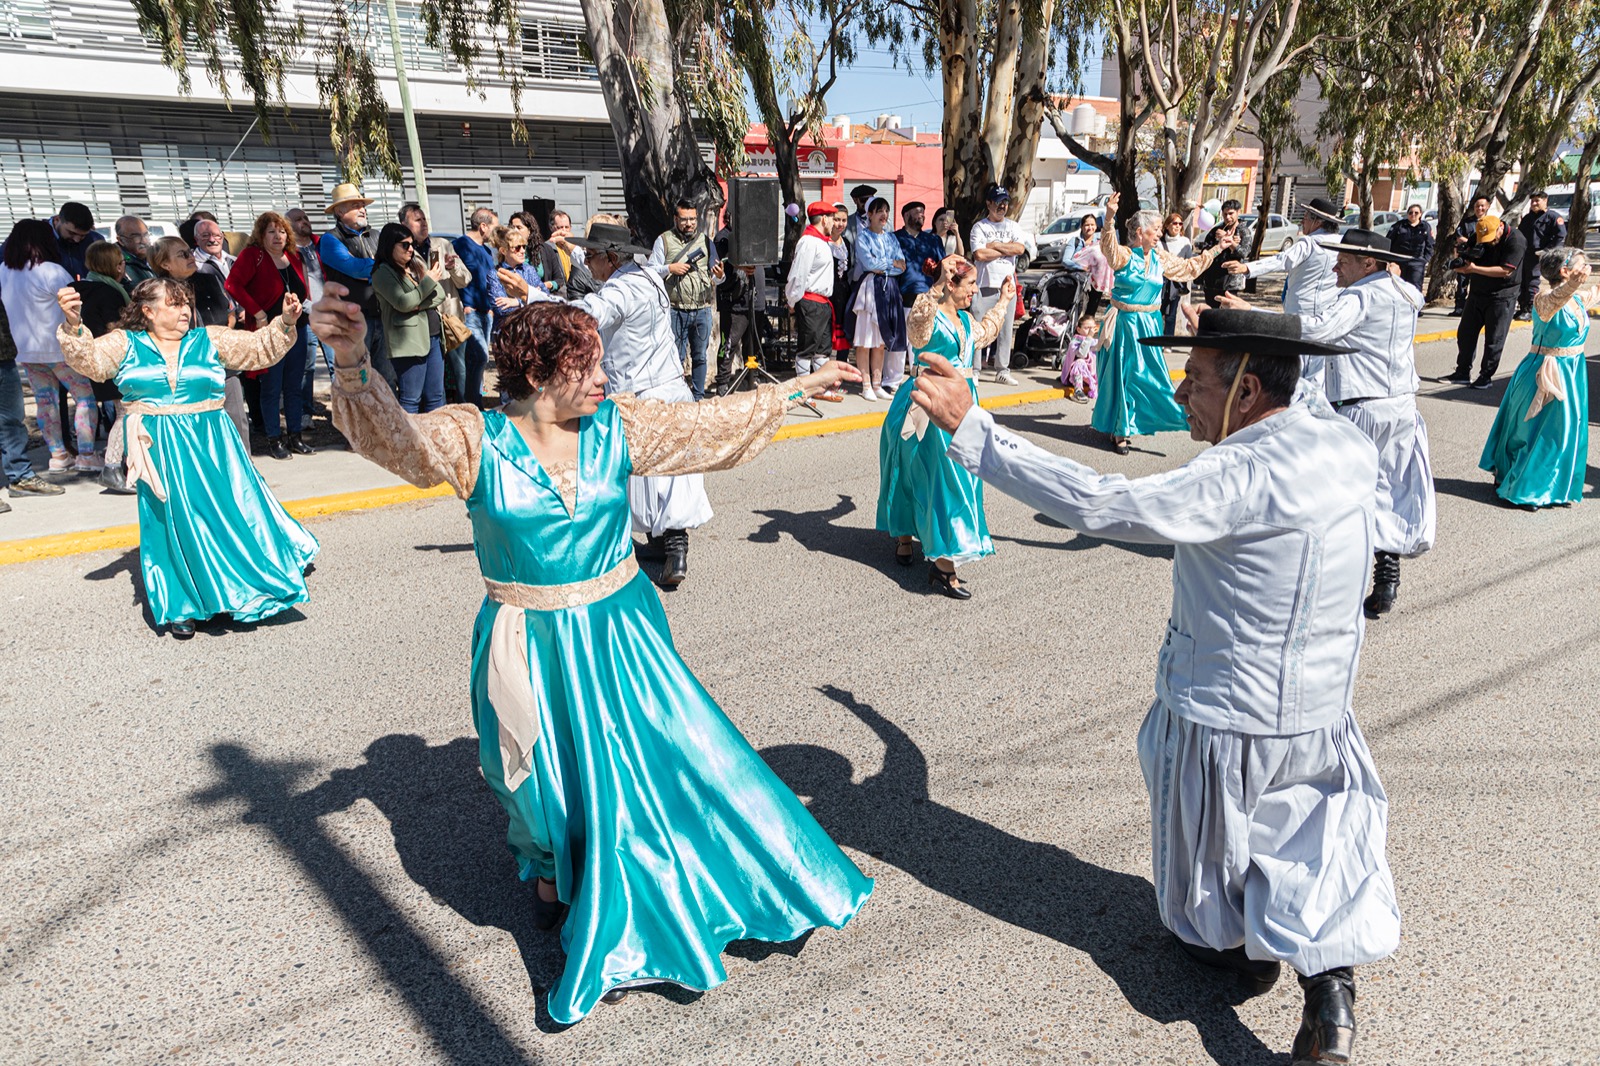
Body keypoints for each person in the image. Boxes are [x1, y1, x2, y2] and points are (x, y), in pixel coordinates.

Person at [319, 290, 870, 1022]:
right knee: (537, 781)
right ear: (539, 371)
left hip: (622, 632)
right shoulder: (473, 438)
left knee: (661, 763)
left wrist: (794, 388)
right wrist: (353, 360)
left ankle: (653, 903)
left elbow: (704, 427)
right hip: (527, 636)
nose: (603, 378)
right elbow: (398, 441)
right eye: (586, 366)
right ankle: (549, 871)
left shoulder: (621, 426)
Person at [914, 306, 1398, 1066]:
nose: (1180, 392)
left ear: (1245, 388)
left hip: (1225, 710)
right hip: (1320, 710)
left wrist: (974, 428)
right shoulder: (1344, 444)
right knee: (1318, 844)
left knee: (1211, 875)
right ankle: (1330, 998)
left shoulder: (1237, 473)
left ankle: (1236, 952)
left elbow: (1104, 504)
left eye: (1197, 378)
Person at [56, 279, 317, 638]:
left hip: (212, 443)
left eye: (186, 304)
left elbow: (258, 348)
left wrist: (285, 321)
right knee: (173, 523)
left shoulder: (208, 338)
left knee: (226, 516)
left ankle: (241, 589)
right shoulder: (124, 343)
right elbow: (92, 363)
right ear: (148, 311)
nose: (184, 312)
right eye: (174, 304)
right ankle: (181, 602)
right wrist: (74, 325)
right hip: (157, 446)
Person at [1223, 228, 1435, 618]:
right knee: (1391, 490)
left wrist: (1251, 314)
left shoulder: (1361, 296)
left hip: (1362, 408)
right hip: (1401, 406)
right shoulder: (1405, 292)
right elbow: (1413, 294)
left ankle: (1330, 577)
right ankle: (1386, 575)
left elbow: (1317, 328)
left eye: (1344, 259)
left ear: (1368, 262)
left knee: (1346, 494)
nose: (1335, 266)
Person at [569, 222, 709, 584]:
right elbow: (662, 269)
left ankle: (672, 549)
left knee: (652, 473)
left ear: (611, 258)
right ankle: (667, 546)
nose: (586, 262)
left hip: (645, 396)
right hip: (669, 389)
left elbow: (585, 315)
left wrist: (531, 300)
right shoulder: (646, 276)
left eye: (591, 255)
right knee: (668, 471)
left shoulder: (621, 290)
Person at [878, 257, 1013, 597]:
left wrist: (1004, 300)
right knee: (933, 476)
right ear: (951, 285)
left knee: (956, 477)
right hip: (931, 402)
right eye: (969, 286)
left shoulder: (966, 320)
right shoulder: (930, 316)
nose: (973, 293)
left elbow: (987, 332)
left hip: (964, 404)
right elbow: (916, 325)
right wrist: (937, 282)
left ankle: (934, 546)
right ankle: (939, 562)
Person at [1093, 192, 1231, 454]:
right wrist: (1110, 217)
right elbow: (1108, 246)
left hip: (1150, 324)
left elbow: (1190, 268)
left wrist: (1216, 249)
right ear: (1140, 232)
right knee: (1124, 377)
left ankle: (1162, 418)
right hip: (1126, 324)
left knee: (1151, 377)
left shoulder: (1160, 258)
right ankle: (1121, 430)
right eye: (1155, 230)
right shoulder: (1124, 256)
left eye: (1159, 230)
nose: (1159, 234)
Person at [1480, 247, 1597, 508]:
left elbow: (1593, 293)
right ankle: (1526, 488)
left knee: (1562, 433)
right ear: (1565, 271)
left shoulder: (1577, 299)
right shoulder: (1543, 298)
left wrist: (1577, 286)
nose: (1586, 269)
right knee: (1533, 432)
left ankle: (1554, 488)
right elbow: (1553, 303)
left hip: (1571, 371)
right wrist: (1571, 285)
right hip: (1542, 371)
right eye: (1581, 265)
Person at [0, 219, 98, 477]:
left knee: (46, 403)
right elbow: (74, 305)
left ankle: (58, 456)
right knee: (85, 398)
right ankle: (87, 454)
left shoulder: (3, 270)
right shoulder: (52, 270)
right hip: (60, 349)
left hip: (26, 352)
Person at [1223, 196, 1343, 389]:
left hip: (1301, 315)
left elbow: (1281, 260)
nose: (1301, 220)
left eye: (1305, 216)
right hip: (1326, 318)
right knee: (1318, 372)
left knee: (1300, 372)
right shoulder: (1341, 244)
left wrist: (1247, 269)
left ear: (1317, 221)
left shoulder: (1309, 244)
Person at [226, 212, 314, 459]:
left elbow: (304, 290)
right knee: (272, 387)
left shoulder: (293, 256)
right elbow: (233, 285)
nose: (278, 236)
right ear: (261, 235)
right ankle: (274, 438)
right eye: (271, 232)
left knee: (294, 385)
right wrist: (258, 312)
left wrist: (298, 302)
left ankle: (295, 436)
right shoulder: (253, 255)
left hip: (296, 328)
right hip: (268, 330)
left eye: (282, 231)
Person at [319, 183, 395, 391]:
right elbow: (353, 268)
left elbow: (393, 268)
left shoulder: (377, 235)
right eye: (355, 205)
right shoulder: (330, 240)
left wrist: (373, 270)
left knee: (386, 380)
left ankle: (386, 423)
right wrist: (378, 266)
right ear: (340, 211)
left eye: (363, 205)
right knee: (357, 381)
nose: (363, 209)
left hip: (382, 316)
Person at [71, 241, 134, 490]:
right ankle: (112, 466)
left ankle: (120, 463)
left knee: (121, 413)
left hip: (92, 360)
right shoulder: (109, 292)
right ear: (114, 266)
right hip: (113, 360)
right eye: (120, 263)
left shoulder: (80, 289)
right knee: (124, 414)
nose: (123, 267)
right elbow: (115, 329)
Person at [648, 200, 724, 401]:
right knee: (675, 358)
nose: (689, 224)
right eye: (684, 219)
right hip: (674, 310)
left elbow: (716, 278)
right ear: (675, 219)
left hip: (702, 310)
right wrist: (669, 268)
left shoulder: (706, 241)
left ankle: (698, 397)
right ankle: (677, 397)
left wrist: (720, 275)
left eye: (692, 219)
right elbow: (649, 271)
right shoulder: (663, 241)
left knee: (700, 356)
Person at [371, 222, 449, 415]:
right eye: (405, 245)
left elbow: (439, 295)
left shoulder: (414, 266)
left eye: (412, 244)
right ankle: (408, 443)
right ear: (390, 246)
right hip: (408, 343)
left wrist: (416, 302)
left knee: (436, 396)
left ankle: (434, 439)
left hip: (432, 337)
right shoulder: (382, 273)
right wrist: (427, 283)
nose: (411, 249)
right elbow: (403, 302)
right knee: (411, 398)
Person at [400, 203, 473, 404]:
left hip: (451, 320)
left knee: (460, 372)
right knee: (434, 379)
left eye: (424, 219)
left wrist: (453, 267)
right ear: (404, 225)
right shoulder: (403, 252)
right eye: (417, 220)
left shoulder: (443, 244)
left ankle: (466, 409)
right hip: (424, 325)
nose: (424, 224)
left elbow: (465, 280)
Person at [1445, 213, 1527, 388]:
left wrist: (1474, 269)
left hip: (1502, 296)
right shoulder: (1479, 235)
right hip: (1477, 293)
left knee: (1494, 339)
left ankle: (1486, 376)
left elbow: (1506, 271)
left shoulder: (1516, 240)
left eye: (1490, 237)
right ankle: (1462, 372)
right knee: (1466, 333)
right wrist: (1461, 261)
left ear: (1500, 228)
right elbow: (1467, 256)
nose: (1487, 241)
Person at [968, 183, 1033, 384]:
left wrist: (994, 246)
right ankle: (975, 369)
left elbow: (1020, 249)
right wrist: (1006, 248)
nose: (1002, 206)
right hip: (984, 286)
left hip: (1007, 287)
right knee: (979, 329)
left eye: (1005, 202)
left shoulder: (1013, 226)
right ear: (988, 203)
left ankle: (1002, 370)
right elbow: (979, 253)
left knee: (1005, 330)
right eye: (998, 202)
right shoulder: (980, 227)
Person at [844, 197, 907, 401]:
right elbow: (871, 264)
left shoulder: (891, 238)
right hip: (870, 289)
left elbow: (903, 265)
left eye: (886, 211)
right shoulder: (863, 238)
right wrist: (891, 264)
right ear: (869, 214)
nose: (884, 215)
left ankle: (878, 384)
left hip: (888, 290)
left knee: (880, 342)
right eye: (879, 211)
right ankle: (865, 384)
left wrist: (889, 265)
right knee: (865, 340)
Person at [786, 202, 845, 398]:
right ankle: (803, 392)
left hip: (822, 303)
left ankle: (821, 388)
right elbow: (798, 275)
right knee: (807, 348)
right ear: (824, 219)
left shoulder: (821, 241)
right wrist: (793, 301)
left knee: (822, 350)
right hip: (810, 302)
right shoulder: (809, 241)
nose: (834, 223)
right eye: (832, 218)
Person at [889, 201, 945, 395]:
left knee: (921, 340)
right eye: (916, 212)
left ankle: (919, 376)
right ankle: (894, 379)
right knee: (899, 340)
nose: (921, 215)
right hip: (900, 295)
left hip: (926, 297)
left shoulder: (932, 240)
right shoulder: (894, 238)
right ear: (905, 216)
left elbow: (942, 266)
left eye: (923, 212)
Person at [451, 207, 500, 408]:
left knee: (480, 363)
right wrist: (466, 304)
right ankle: (470, 407)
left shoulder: (487, 251)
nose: (496, 233)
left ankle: (475, 404)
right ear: (483, 226)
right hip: (470, 313)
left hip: (485, 313)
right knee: (474, 360)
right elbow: (454, 276)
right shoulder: (460, 245)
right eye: (494, 228)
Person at [285, 207, 334, 404]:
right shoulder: (287, 253)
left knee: (336, 364)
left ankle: (343, 410)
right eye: (298, 219)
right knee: (306, 367)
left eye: (305, 217)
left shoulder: (321, 245)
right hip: (306, 317)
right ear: (288, 226)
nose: (304, 221)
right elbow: (289, 286)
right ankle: (305, 411)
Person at [1516, 191, 1566, 319]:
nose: (1534, 203)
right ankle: (1522, 308)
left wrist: (1547, 251)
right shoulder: (1528, 218)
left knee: (1532, 281)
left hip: (1539, 255)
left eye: (1537, 201)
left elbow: (1560, 236)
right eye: (1532, 201)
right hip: (1525, 254)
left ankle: (1530, 309)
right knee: (1522, 281)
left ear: (1545, 201)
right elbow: (1520, 235)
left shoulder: (1553, 217)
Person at [486, 225, 554, 315]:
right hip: (508, 326)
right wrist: (533, 295)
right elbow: (502, 309)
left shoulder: (529, 270)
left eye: (524, 246)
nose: (522, 251)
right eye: (517, 248)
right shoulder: (495, 274)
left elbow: (545, 297)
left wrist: (517, 302)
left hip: (531, 325)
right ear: (503, 251)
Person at [1195, 199, 1251, 308]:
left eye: (1231, 213)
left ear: (1238, 212)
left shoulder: (1244, 231)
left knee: (1226, 315)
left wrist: (1231, 242)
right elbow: (1205, 251)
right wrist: (1218, 242)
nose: (1228, 217)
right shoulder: (1216, 231)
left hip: (1230, 283)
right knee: (1211, 313)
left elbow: (1244, 253)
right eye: (1225, 214)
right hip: (1212, 281)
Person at [1450, 195, 1492, 315]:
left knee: (1479, 284)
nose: (1479, 208)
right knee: (1462, 283)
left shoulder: (1491, 222)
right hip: (1466, 257)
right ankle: (1459, 307)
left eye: (1482, 206)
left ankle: (1476, 309)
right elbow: (1458, 237)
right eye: (1477, 206)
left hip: (1483, 259)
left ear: (1487, 207)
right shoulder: (1466, 222)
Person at [1157, 212, 1195, 335]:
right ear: (1167, 225)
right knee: (1158, 312)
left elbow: (1188, 261)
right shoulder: (1159, 242)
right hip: (1161, 281)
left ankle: (1168, 341)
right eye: (1175, 223)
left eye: (1180, 223)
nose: (1178, 226)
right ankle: (1155, 338)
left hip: (1176, 283)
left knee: (1171, 314)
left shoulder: (1185, 242)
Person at [1386, 204, 1435, 292]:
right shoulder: (1399, 226)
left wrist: (1425, 260)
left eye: (1416, 213)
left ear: (1420, 214)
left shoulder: (1425, 227)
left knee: (1415, 288)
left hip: (1417, 262)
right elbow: (1388, 242)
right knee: (1397, 286)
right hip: (1399, 261)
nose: (1413, 215)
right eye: (1410, 212)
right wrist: (1390, 260)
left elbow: (1430, 244)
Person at [1060, 314, 1099, 402]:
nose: (1090, 331)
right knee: (1080, 362)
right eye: (1086, 328)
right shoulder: (1075, 342)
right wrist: (1088, 337)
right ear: (1079, 329)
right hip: (1075, 376)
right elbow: (1082, 354)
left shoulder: (1095, 342)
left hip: (1091, 375)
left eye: (1092, 328)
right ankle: (1078, 391)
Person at [843, 183, 877, 276]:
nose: (867, 203)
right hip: (855, 276)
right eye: (863, 200)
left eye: (870, 200)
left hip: (877, 276)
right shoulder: (846, 223)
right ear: (855, 200)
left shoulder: (884, 222)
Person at [114, 216, 156, 287]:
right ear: (121, 240)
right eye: (136, 237)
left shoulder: (157, 256)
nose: (144, 241)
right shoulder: (115, 263)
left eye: (146, 235)